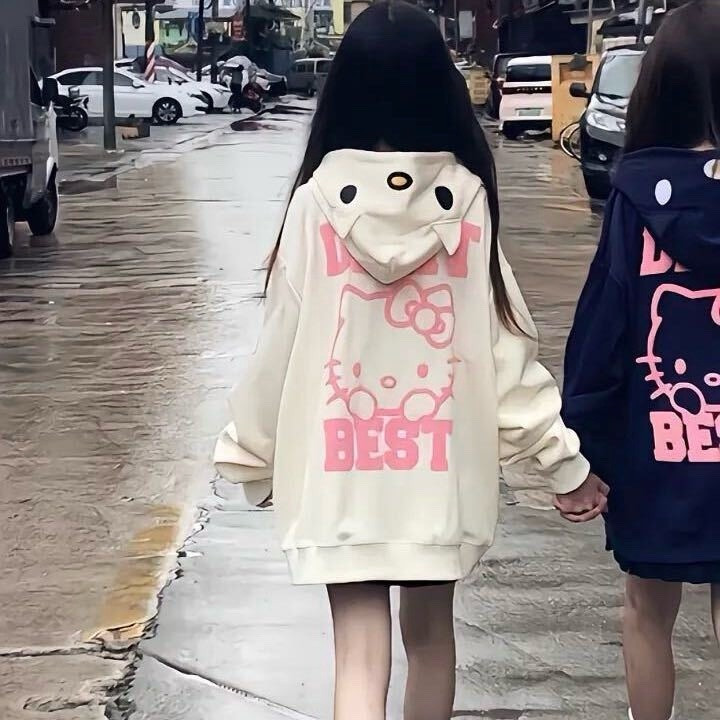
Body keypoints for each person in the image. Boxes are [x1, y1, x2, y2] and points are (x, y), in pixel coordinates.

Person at [214, 3, 606, 719]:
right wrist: (562, 464)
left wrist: (254, 454)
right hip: (436, 481)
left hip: (339, 477)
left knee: (358, 658)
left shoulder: (314, 204)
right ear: (440, 89)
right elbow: (506, 352)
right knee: (430, 642)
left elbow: (280, 345)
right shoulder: (467, 203)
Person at [562, 3, 720, 719]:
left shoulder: (632, 197)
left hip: (657, 453)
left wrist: (581, 451)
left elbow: (604, 330)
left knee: (646, 610)